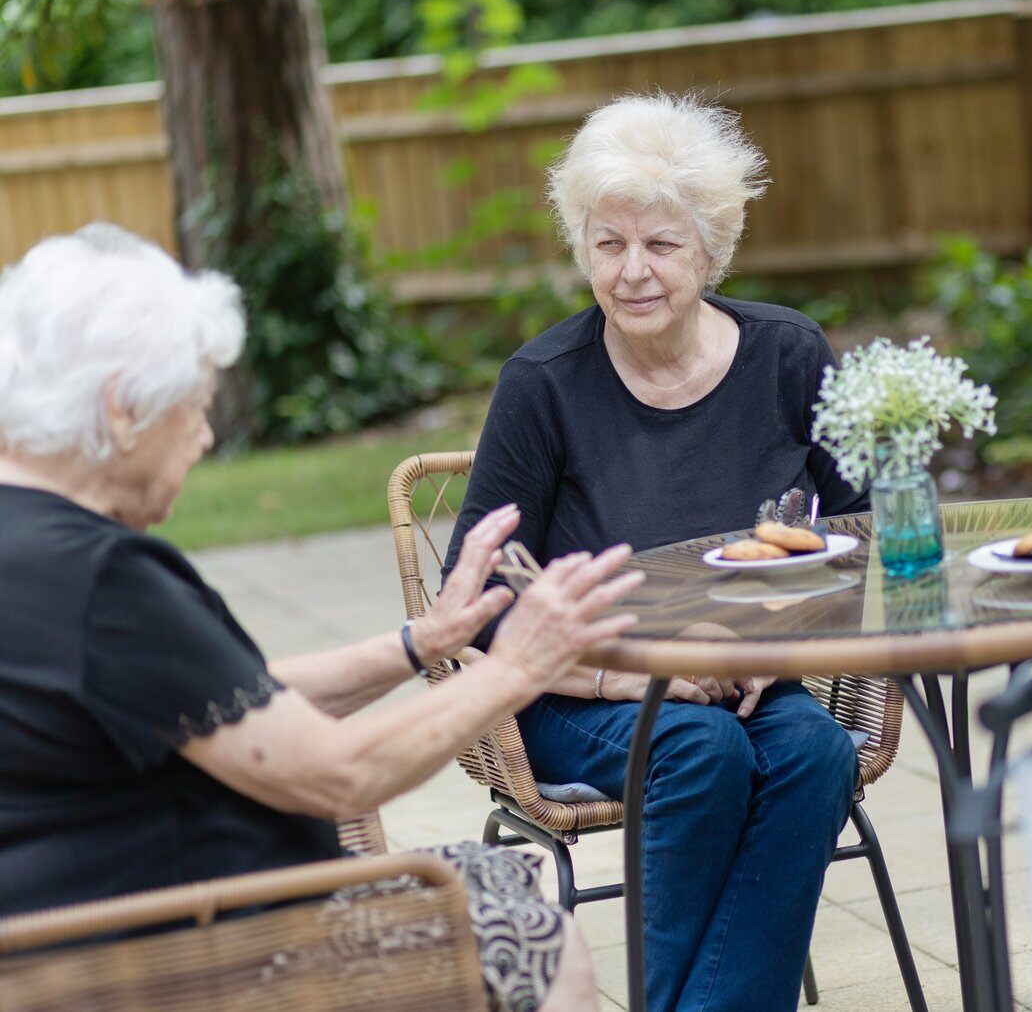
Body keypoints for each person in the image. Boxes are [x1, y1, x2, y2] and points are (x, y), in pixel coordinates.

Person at [0, 224, 644, 1012]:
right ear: (122, 409)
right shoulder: (104, 581)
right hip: (189, 958)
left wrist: (422, 643)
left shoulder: (26, 547)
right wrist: (517, 666)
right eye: (198, 407)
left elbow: (234, 701)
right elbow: (338, 772)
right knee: (534, 927)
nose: (204, 437)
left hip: (63, 949)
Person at [442, 93, 867, 1012]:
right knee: (698, 748)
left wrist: (779, 648)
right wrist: (626, 680)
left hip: (749, 676)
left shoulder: (788, 356)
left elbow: (865, 537)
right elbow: (471, 592)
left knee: (816, 755)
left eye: (661, 245)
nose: (632, 272)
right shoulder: (543, 386)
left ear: (711, 249)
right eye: (608, 244)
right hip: (577, 690)